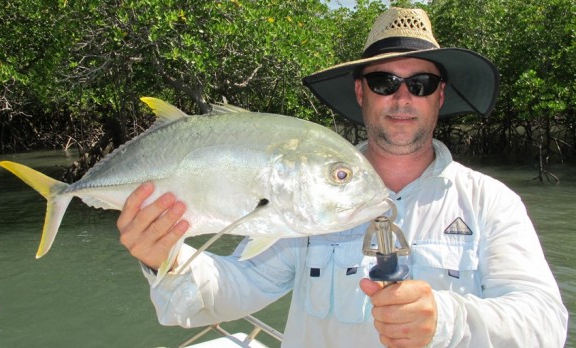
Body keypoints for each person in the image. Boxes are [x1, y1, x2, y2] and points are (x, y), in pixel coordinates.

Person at [117, 7, 568, 347]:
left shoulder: (490, 202)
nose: (402, 97)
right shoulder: (302, 193)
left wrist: (446, 319)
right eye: (384, 82)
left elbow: (546, 323)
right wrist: (167, 259)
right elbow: (231, 291)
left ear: (439, 96)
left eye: (421, 84)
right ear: (360, 92)